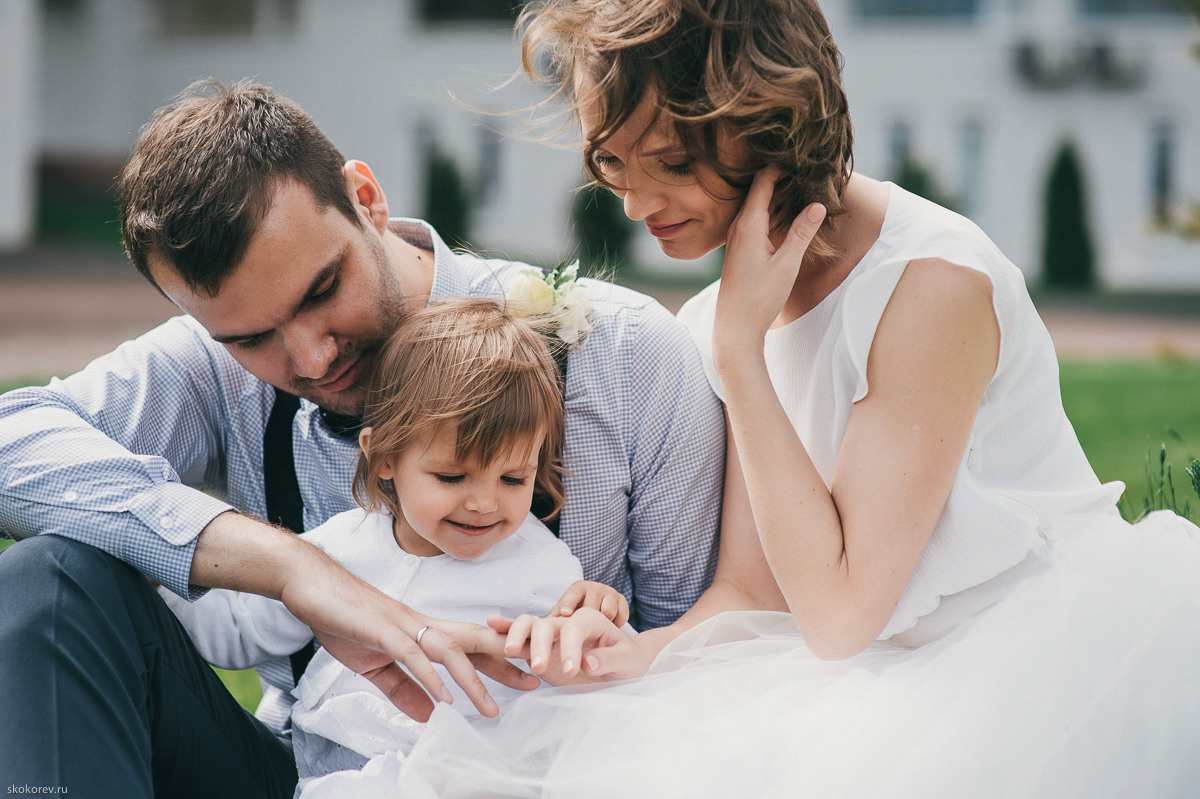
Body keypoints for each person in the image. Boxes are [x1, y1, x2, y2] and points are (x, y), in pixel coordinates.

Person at [382, 1, 1200, 795]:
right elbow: (753, 588)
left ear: (770, 124)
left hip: (1023, 653)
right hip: (858, 661)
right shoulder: (720, 315)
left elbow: (841, 614)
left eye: (669, 161)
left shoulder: (929, 282)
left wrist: (745, 354)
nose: (634, 205)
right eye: (612, 164)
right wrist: (635, 653)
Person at [0, 80, 724, 798]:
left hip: (554, 774)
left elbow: (703, 656)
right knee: (49, 580)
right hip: (314, 777)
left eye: (321, 291)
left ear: (367, 199)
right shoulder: (210, 366)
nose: (311, 360)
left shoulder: (623, 355)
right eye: (253, 338)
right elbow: (12, 440)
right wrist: (296, 570)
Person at [164, 298, 632, 794]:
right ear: (384, 456)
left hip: (481, 772)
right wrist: (154, 578)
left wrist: (597, 621)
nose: (483, 502)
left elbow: (591, 682)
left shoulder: (543, 564)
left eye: (514, 479)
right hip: (351, 763)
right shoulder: (336, 550)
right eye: (452, 476)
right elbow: (238, 630)